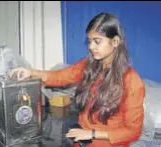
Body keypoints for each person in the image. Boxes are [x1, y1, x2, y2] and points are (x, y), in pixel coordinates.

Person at [8, 12, 145, 147]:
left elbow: (132, 131)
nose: (91, 47)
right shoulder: (89, 66)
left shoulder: (131, 81)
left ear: (115, 41)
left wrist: (92, 134)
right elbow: (59, 77)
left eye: (97, 41)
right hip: (82, 139)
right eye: (90, 41)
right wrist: (30, 72)